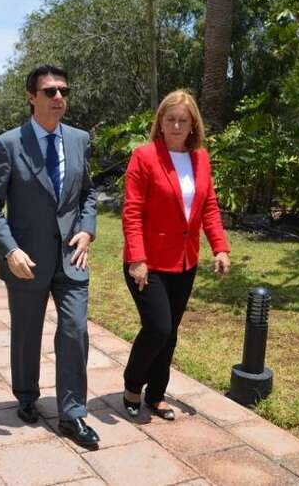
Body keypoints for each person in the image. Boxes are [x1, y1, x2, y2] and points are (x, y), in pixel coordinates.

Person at [0, 64, 100, 449]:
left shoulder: (80, 139)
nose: (59, 97)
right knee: (26, 333)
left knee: (75, 330)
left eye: (64, 90)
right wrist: (10, 249)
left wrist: (87, 229)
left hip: (71, 258)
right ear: (32, 97)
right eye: (50, 91)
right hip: (27, 260)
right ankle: (26, 395)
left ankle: (72, 413)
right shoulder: (9, 144)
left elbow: (88, 194)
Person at [121, 90, 231, 420]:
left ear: (193, 124)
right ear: (161, 121)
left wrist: (220, 248)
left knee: (170, 333)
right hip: (148, 262)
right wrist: (137, 259)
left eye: (183, 120)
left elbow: (209, 208)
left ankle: (156, 395)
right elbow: (132, 211)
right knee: (158, 327)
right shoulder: (144, 156)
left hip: (185, 261)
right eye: (170, 119)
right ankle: (132, 385)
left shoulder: (201, 159)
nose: (177, 126)